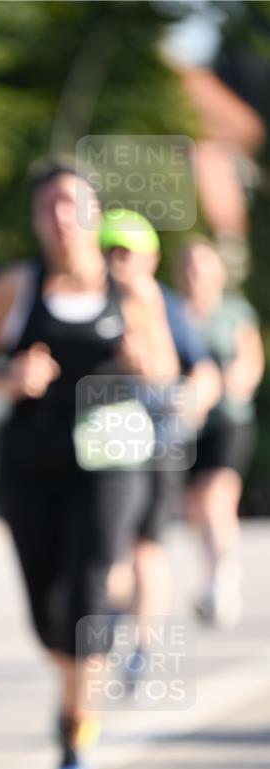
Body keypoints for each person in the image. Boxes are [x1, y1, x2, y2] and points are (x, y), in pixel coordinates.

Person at [0, 164, 179, 769]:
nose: (62, 217)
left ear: (94, 212)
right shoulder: (14, 286)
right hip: (31, 461)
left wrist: (143, 361)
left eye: (73, 204)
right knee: (46, 612)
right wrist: (11, 377)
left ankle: (76, 741)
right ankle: (75, 692)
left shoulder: (131, 289)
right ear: (36, 218)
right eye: (49, 206)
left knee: (89, 590)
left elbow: (167, 370)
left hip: (112, 459)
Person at [99, 210, 221, 686]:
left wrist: (190, 400)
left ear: (149, 258)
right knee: (110, 545)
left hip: (157, 443)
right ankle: (112, 616)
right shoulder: (91, 304)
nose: (116, 263)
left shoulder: (164, 305)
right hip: (105, 441)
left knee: (146, 546)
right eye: (107, 252)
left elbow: (202, 370)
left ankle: (143, 647)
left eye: (125, 253)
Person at [176, 238, 264, 627]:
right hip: (187, 423)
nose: (197, 275)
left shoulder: (234, 312)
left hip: (229, 418)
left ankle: (223, 582)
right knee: (195, 507)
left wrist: (237, 379)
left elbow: (251, 360)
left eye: (204, 267)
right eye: (191, 267)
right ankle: (211, 573)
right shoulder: (173, 311)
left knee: (217, 498)